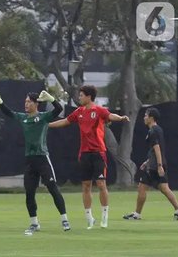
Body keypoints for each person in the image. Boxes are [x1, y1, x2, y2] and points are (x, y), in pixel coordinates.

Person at [0, 90, 70, 235]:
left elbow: (58, 109)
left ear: (36, 104)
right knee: (29, 193)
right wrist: (0, 102)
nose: (26, 104)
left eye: (29, 102)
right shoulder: (23, 118)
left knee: (52, 188)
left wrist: (51, 99)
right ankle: (34, 223)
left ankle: (64, 219)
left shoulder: (44, 117)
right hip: (30, 161)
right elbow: (9, 113)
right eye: (25, 102)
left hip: (42, 158)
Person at [49, 85, 129, 229]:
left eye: (81, 95)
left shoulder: (98, 110)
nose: (79, 98)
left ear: (88, 96)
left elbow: (110, 115)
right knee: (86, 186)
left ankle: (104, 217)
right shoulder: (78, 112)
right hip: (84, 154)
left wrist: (121, 118)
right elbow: (65, 121)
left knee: (101, 184)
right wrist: (47, 125)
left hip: (98, 152)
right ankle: (89, 218)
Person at [123, 107, 178, 221]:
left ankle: (137, 214)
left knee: (142, 187)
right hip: (155, 163)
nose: (144, 117)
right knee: (164, 188)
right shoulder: (158, 129)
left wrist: (159, 165)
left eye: (146, 115)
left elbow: (157, 148)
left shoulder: (153, 131)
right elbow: (156, 149)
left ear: (151, 118)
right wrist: (147, 162)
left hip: (154, 166)